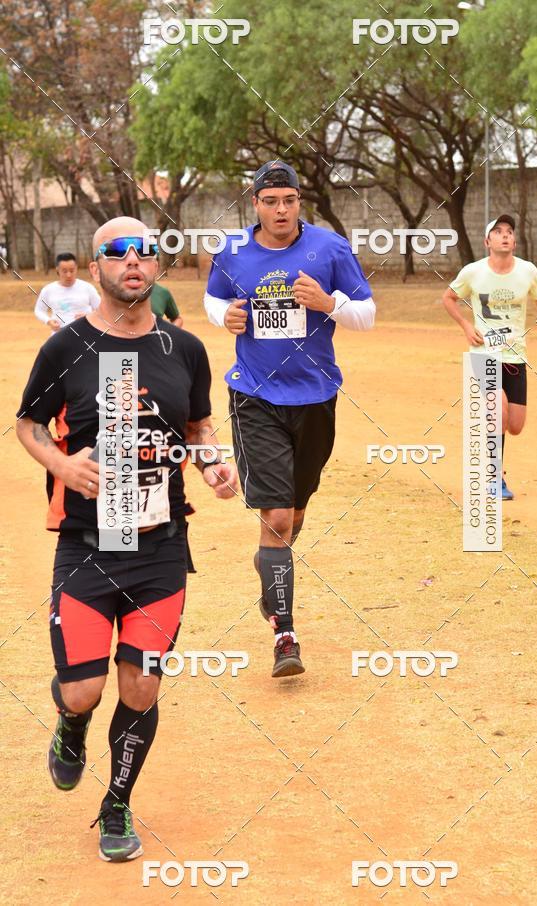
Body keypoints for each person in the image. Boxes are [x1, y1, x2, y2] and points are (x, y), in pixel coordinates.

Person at [16, 217, 237, 863]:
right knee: (83, 689)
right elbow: (28, 425)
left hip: (161, 545)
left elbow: (198, 424)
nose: (133, 260)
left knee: (141, 686)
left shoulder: (185, 349)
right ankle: (73, 726)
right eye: (117, 251)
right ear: (95, 269)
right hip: (87, 543)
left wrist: (213, 461)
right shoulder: (67, 348)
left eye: (145, 251)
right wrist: (60, 465)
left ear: (157, 270)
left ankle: (116, 804)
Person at [204, 160, 375, 677]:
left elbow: (367, 314)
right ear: (254, 203)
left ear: (300, 202)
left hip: (317, 398)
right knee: (276, 518)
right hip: (255, 395)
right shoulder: (231, 252)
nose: (281, 210)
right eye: (270, 201)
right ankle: (285, 633)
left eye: (289, 200)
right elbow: (213, 301)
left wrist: (329, 303)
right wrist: (225, 316)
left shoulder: (330, 249)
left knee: (294, 516)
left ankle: (271, 575)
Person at [442, 214, 537, 499]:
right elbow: (448, 298)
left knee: (515, 425)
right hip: (484, 355)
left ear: (514, 240)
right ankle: (494, 477)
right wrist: (467, 325)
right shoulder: (473, 272)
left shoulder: (528, 271)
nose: (504, 235)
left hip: (515, 357)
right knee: (498, 411)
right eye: (498, 231)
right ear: (487, 241)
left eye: (509, 231)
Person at [34, 252, 100, 330]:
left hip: (84, 333)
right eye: (64, 271)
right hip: (59, 334)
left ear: (76, 268)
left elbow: (101, 310)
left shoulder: (87, 288)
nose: (68, 275)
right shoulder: (48, 290)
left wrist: (88, 316)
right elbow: (39, 310)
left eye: (72, 271)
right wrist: (48, 321)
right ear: (57, 270)